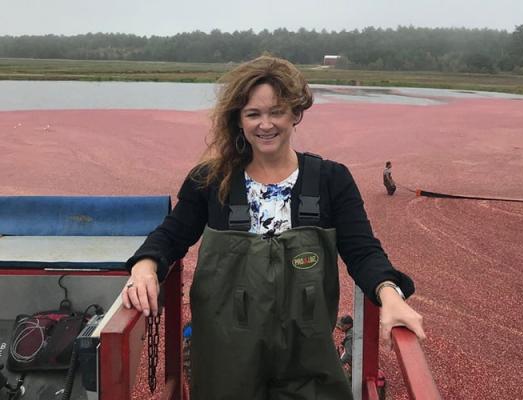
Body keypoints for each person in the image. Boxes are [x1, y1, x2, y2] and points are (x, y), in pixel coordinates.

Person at [121, 55, 425, 400]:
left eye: (276, 112)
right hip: (224, 356)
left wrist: (389, 294)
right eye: (253, 114)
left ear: (296, 113)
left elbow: (362, 249)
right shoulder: (210, 181)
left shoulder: (330, 180)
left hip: (306, 356)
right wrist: (146, 266)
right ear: (239, 120)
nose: (266, 125)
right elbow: (172, 235)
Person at [336, 315, 354, 380]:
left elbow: (348, 354)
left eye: (342, 325)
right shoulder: (352, 330)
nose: (341, 327)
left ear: (348, 325)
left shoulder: (349, 336)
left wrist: (340, 363)